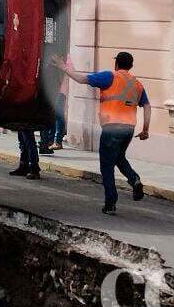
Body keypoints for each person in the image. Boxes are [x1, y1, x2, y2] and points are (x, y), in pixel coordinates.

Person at [52, 52, 151, 215]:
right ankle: (134, 180)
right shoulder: (137, 84)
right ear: (131, 66)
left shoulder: (109, 77)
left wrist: (63, 67)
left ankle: (110, 202)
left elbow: (82, 79)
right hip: (129, 129)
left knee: (107, 166)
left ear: (116, 64)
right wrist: (145, 129)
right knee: (119, 157)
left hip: (112, 128)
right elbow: (147, 106)